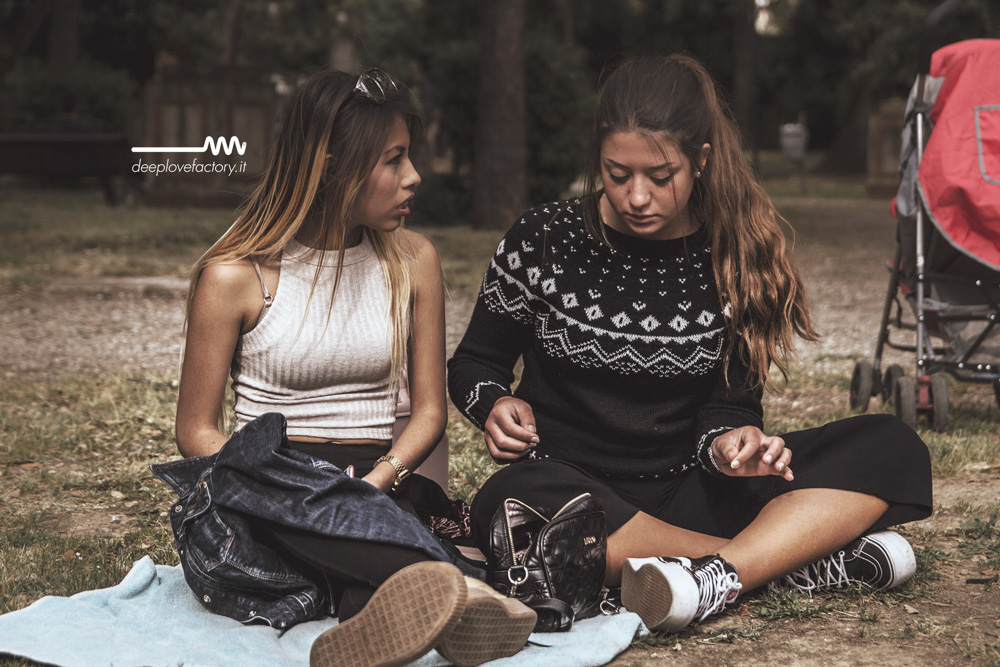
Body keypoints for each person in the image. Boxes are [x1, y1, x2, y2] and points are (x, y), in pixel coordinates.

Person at [447, 54, 933, 633]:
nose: (637, 197)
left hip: (689, 491)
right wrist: (493, 403)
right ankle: (778, 561)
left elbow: (729, 407)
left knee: (892, 446)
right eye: (617, 174)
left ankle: (710, 575)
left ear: (700, 159)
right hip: (568, 491)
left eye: (660, 177)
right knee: (509, 501)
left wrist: (732, 446)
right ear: (598, 158)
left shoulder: (736, 256)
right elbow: (475, 362)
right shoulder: (543, 238)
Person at [154, 68, 535, 667]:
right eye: (394, 159)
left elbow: (429, 412)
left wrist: (373, 485)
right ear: (330, 167)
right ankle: (462, 590)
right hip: (269, 486)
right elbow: (195, 430)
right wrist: (288, 486)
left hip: (376, 478)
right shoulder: (234, 276)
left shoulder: (414, 260)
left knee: (360, 540)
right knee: (321, 522)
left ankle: (369, 623)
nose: (414, 176)